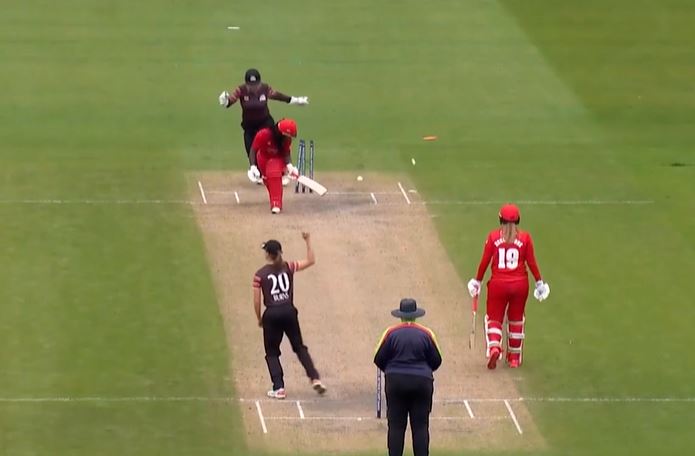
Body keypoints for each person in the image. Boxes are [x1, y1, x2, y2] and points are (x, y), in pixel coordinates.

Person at [467, 204, 550, 369]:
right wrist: (539, 282)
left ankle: (494, 347)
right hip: (520, 285)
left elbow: (485, 261)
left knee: (494, 318)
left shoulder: (493, 237)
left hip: (498, 284)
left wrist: (477, 281)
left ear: (500, 219)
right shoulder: (525, 238)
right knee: (516, 319)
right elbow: (532, 262)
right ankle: (514, 358)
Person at [252, 233, 326, 400]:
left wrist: (259, 319)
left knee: (272, 352)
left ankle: (279, 387)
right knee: (299, 347)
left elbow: (256, 301)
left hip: (271, 314)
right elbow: (311, 261)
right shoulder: (289, 267)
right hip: (289, 311)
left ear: (268, 254)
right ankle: (314, 378)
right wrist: (308, 241)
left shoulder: (260, 274)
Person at [374, 298, 442, 456]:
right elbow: (437, 360)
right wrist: (424, 371)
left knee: (396, 426)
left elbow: (378, 358)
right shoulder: (427, 333)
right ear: (416, 315)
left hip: (395, 382)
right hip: (422, 382)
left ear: (400, 316)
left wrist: (391, 371)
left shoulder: (390, 333)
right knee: (421, 426)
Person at [218, 68, 309, 163]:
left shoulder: (265, 88)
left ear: (259, 83)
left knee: (270, 150)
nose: (253, 88)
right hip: (249, 126)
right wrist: (225, 101)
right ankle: (254, 169)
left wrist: (295, 100)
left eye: (255, 85)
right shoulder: (241, 90)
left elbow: (278, 96)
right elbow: (230, 101)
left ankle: (280, 167)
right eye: (250, 85)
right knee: (251, 152)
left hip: (265, 123)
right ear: (246, 84)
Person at [247, 118, 300, 214]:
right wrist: (253, 166)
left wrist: (290, 166)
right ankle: (275, 196)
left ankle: (276, 203)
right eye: (287, 136)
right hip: (262, 158)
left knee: (273, 172)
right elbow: (253, 150)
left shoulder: (286, 140)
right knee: (268, 180)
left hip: (278, 159)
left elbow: (286, 153)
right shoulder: (263, 134)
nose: (288, 138)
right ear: (281, 133)